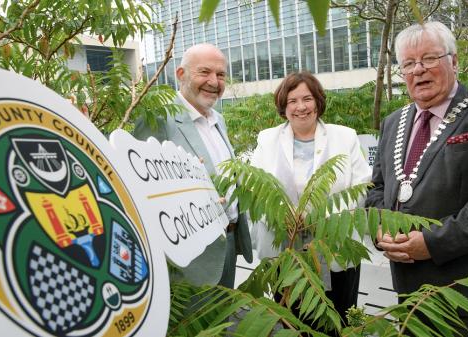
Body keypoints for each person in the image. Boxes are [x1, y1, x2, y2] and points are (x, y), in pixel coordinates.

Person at [365, 21, 468, 336]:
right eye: (409, 64)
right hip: (409, 292)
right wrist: (380, 229)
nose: (419, 70)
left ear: (454, 62)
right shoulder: (392, 122)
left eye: (429, 58)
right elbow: (377, 189)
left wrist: (431, 243)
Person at [250, 71, 372, 324]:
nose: (301, 107)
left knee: (338, 316)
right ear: (283, 106)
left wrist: (322, 219)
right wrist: (278, 214)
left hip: (335, 247)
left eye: (307, 99)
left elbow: (360, 187)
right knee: (291, 318)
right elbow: (255, 189)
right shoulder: (267, 139)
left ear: (318, 101)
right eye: (292, 101)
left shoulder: (345, 136)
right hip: (285, 247)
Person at [133, 43, 252, 288]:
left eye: (220, 75)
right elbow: (142, 192)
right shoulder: (157, 119)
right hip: (190, 262)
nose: (214, 81)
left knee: (223, 322)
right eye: (204, 72)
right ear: (181, 74)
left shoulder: (218, 119)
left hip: (227, 243)